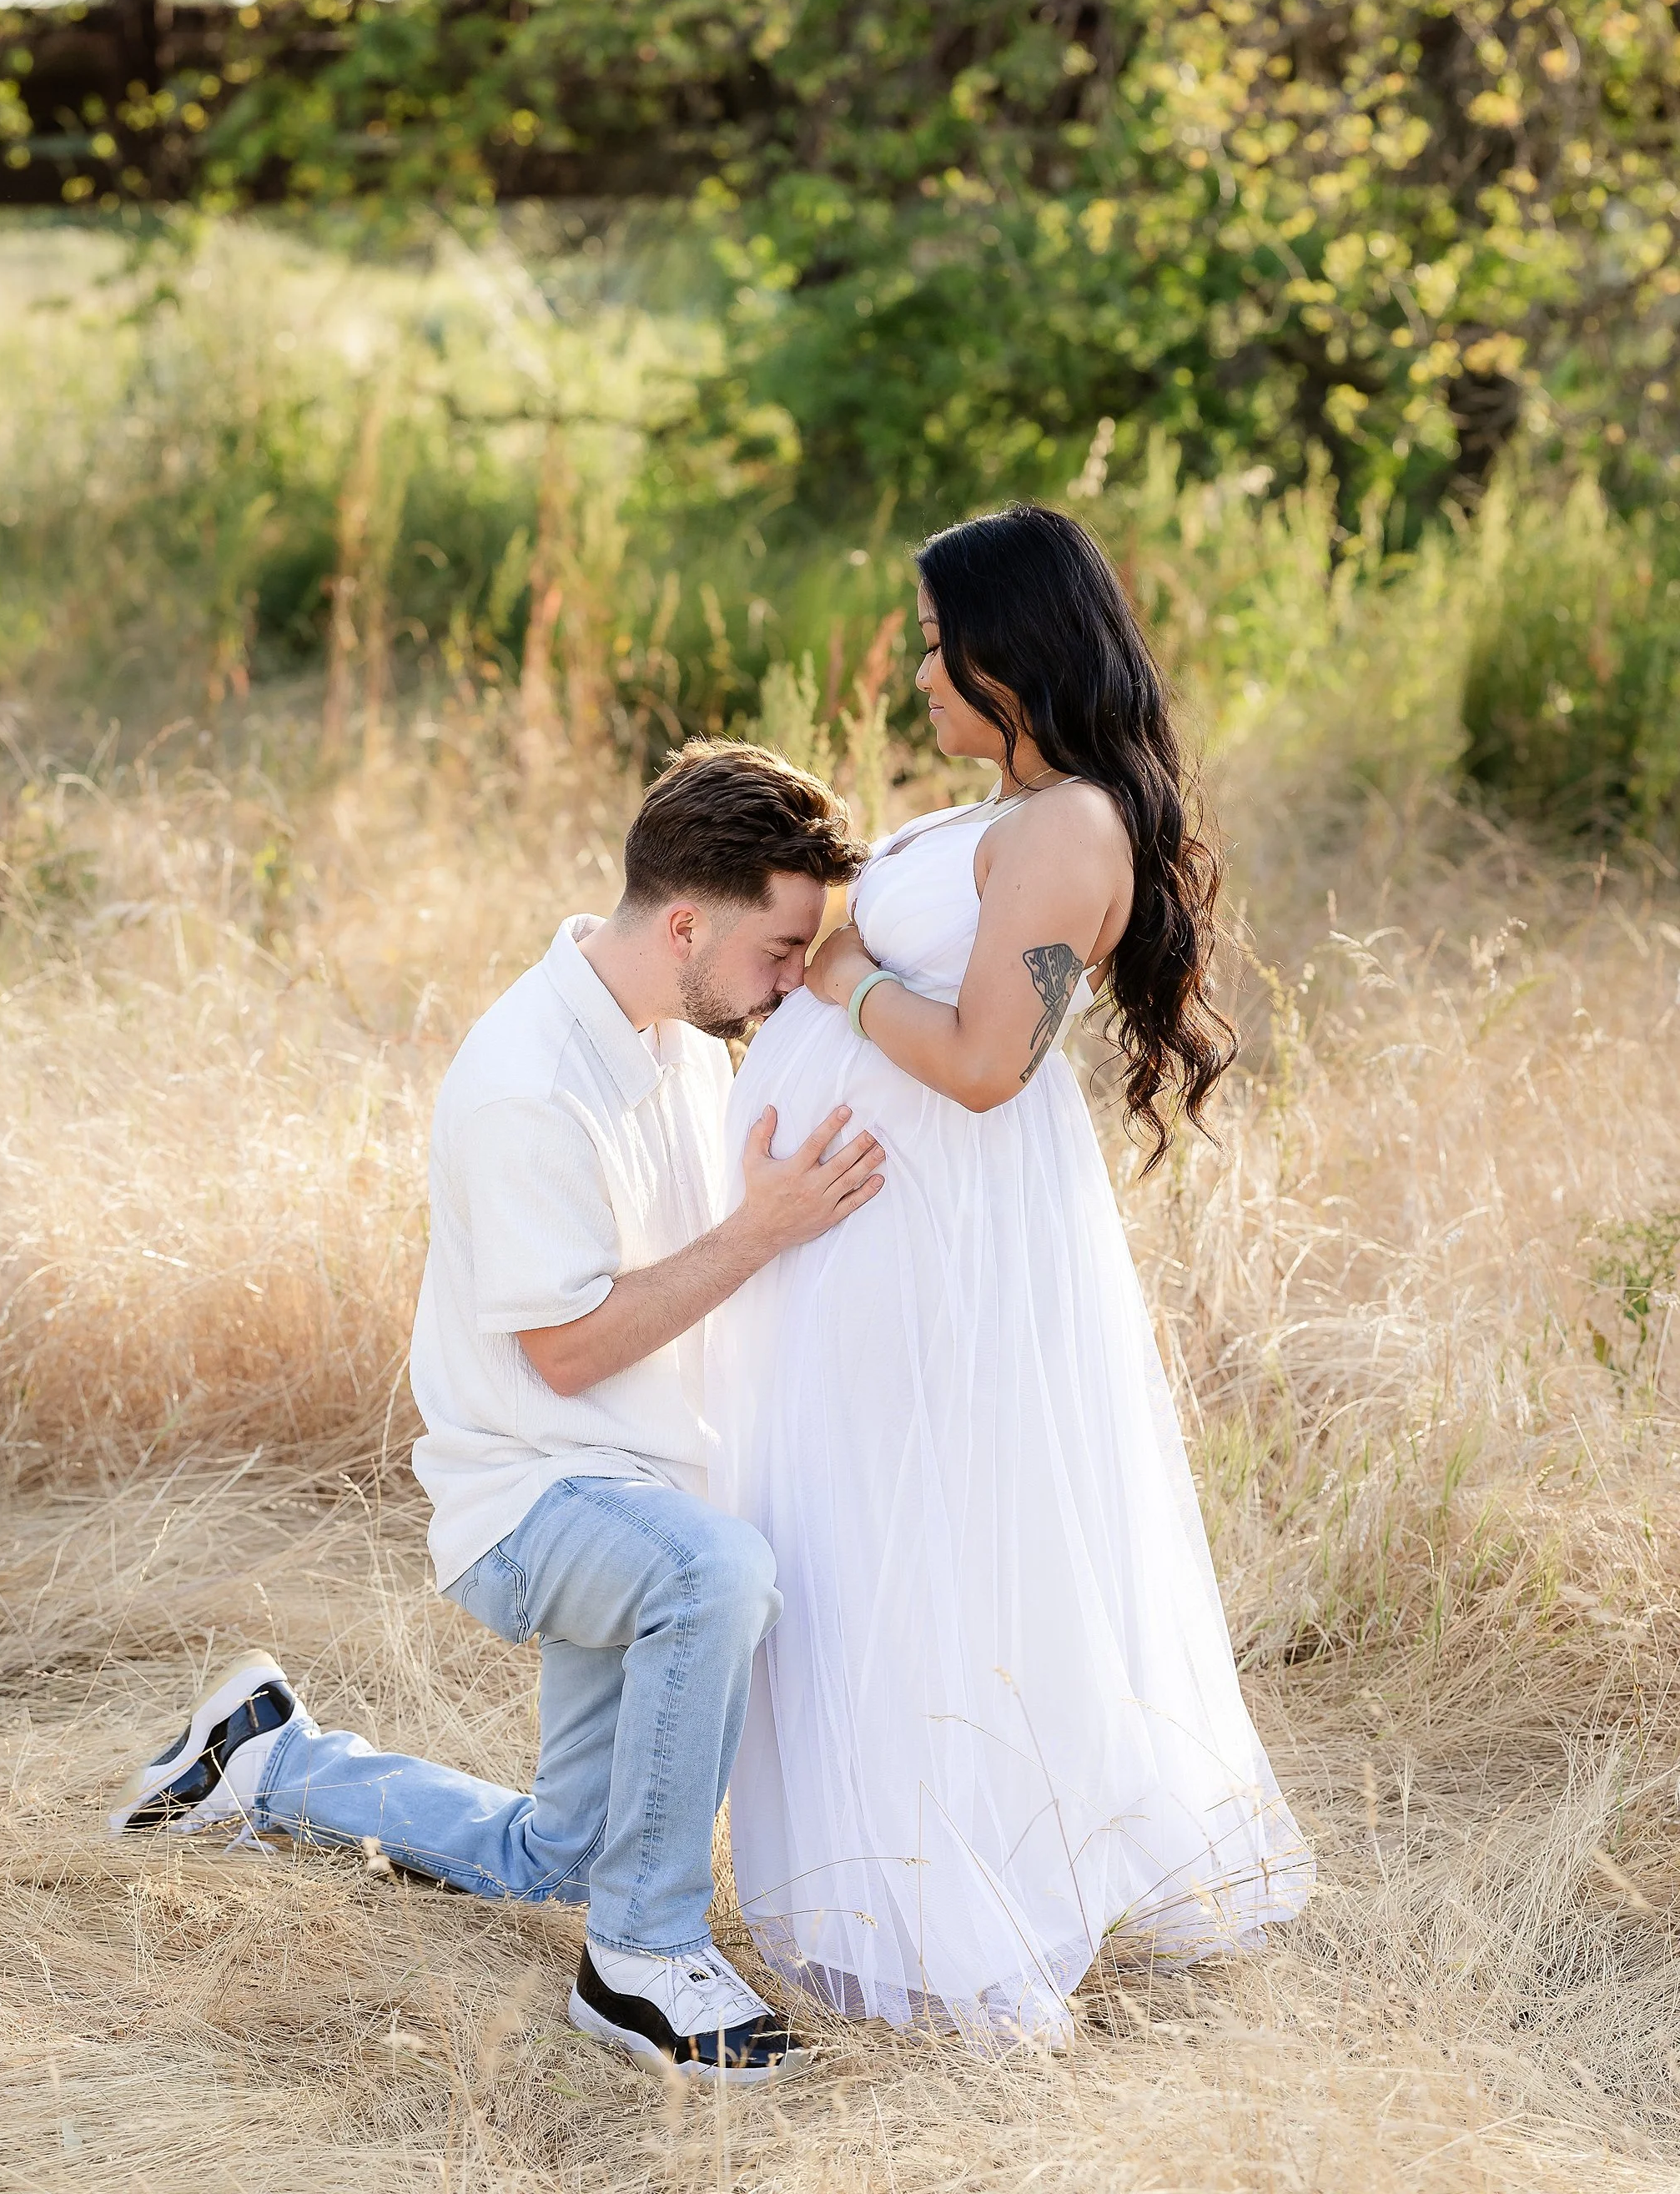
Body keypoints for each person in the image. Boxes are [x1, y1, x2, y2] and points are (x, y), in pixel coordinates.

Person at [109, 742, 885, 2082]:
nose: (789, 983)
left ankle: (268, 1762)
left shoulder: (682, 1027)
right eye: (779, 950)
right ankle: (642, 1961)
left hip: (637, 1487)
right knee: (719, 1576)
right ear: (687, 922)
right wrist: (762, 1233)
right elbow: (571, 1352)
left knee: (558, 1856)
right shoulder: (528, 1079)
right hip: (531, 1496)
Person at [707, 505, 1314, 2051]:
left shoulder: (1070, 831)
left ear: (1007, 652)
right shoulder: (1018, 807)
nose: (916, 674)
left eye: (932, 643)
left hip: (929, 1231)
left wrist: (839, 980)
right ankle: (880, 1861)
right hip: (865, 1224)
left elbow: (985, 1061)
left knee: (910, 1525)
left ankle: (940, 1885)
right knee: (854, 1521)